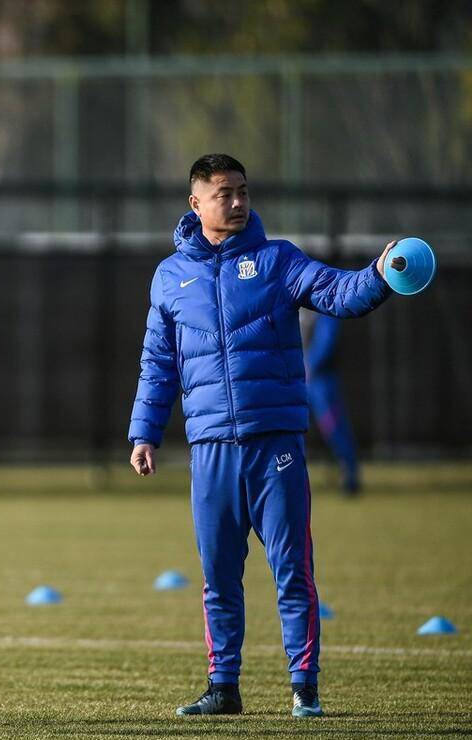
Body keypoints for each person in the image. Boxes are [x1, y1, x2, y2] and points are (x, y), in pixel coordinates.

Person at [126, 154, 395, 719]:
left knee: (292, 570)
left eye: (243, 191)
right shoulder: (170, 276)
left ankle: (304, 688)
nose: (238, 202)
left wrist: (379, 274)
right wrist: (144, 433)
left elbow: (337, 292)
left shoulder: (277, 260)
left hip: (275, 444)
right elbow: (158, 362)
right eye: (224, 193)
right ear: (196, 203)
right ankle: (223, 688)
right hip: (210, 449)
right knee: (219, 577)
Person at [301, 311, 361, 495]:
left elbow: (326, 340)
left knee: (333, 427)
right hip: (299, 380)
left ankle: (349, 476)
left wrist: (309, 365)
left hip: (321, 381)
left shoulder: (324, 309)